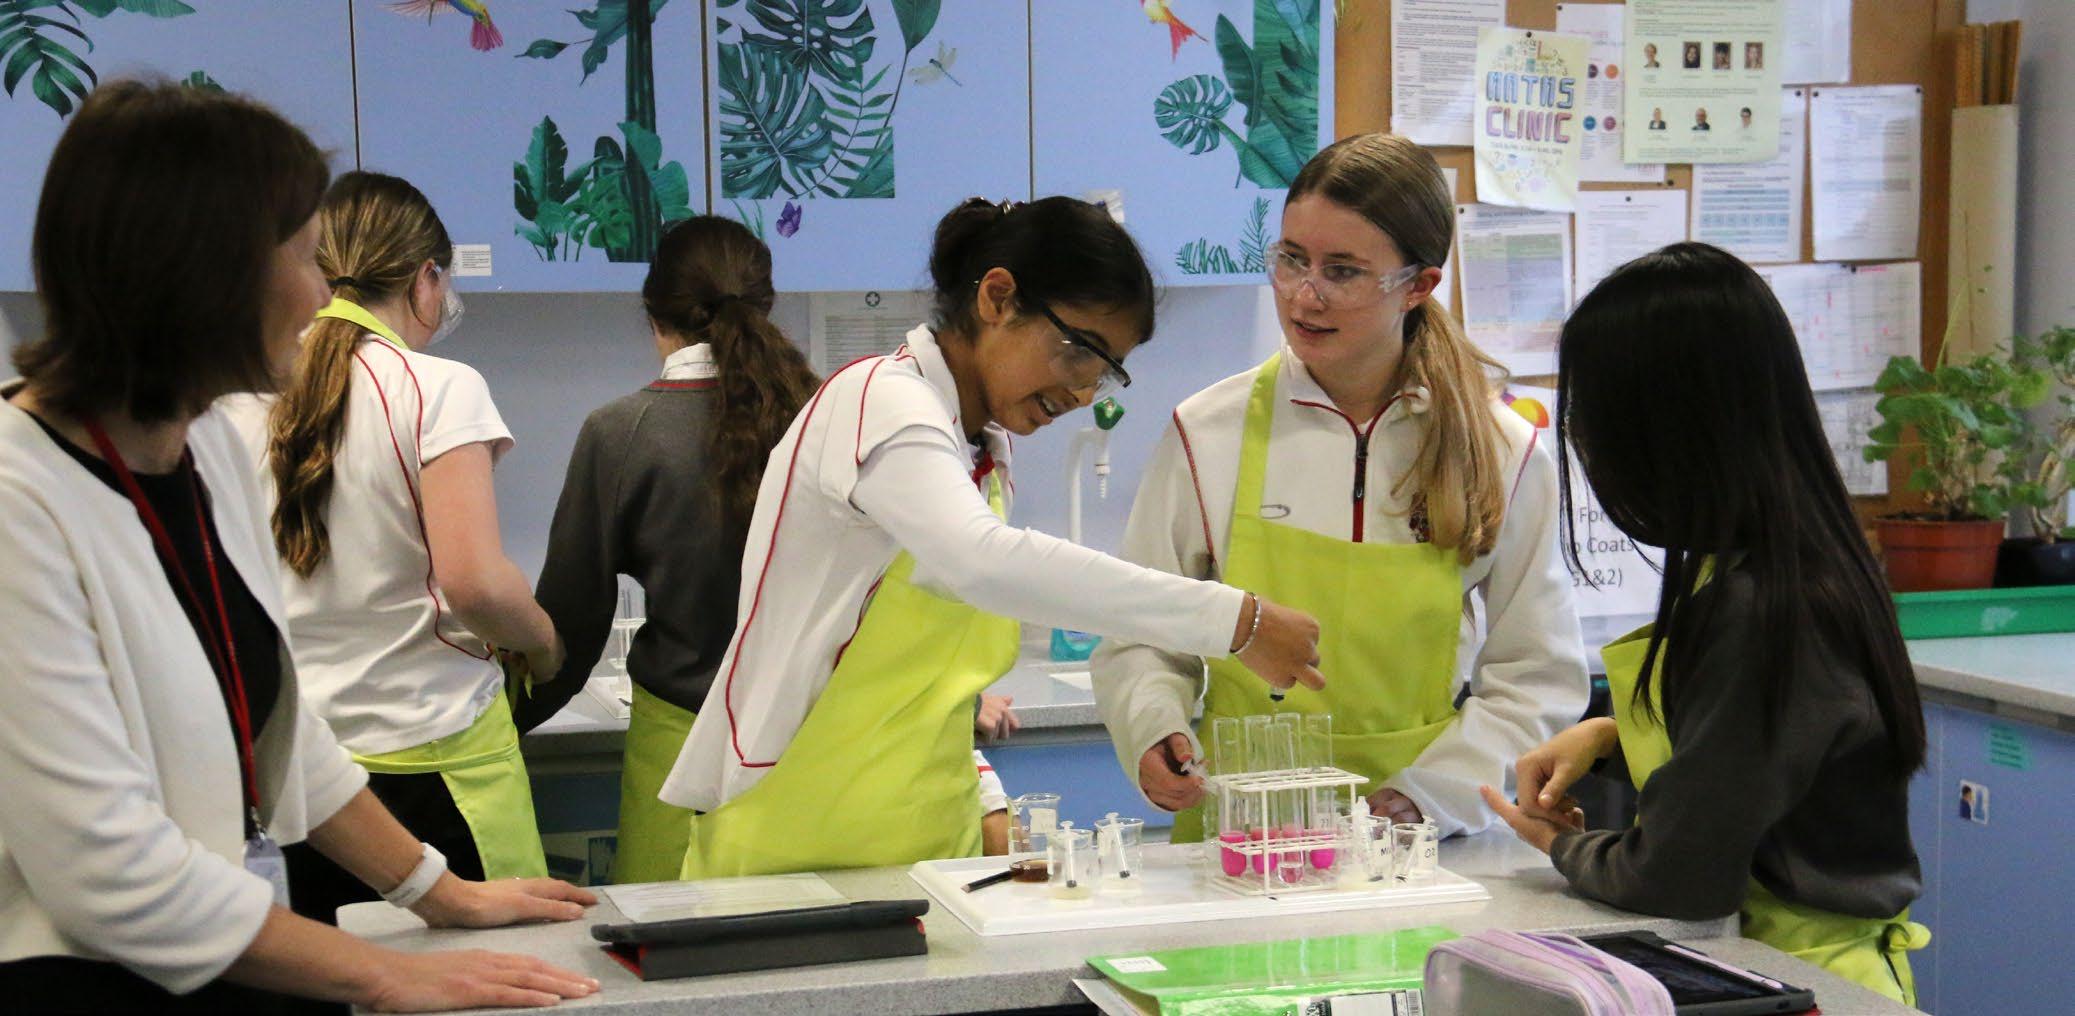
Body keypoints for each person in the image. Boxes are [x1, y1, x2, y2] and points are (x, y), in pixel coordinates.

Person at [0, 80, 596, 1014]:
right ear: (203, 273)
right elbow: (106, 872)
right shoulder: (19, 500)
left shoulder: (204, 443)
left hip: (230, 957)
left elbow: (282, 732)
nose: (325, 295)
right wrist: (386, 971)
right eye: (306, 258)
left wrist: (438, 893)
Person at [664, 196, 1325, 878]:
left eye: (1105, 372)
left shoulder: (979, 454)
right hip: (789, 853)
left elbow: (930, 690)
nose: (1083, 393)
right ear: (997, 298)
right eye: (1080, 352)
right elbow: (981, 562)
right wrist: (1234, 620)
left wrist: (987, 805)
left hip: (931, 849)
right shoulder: (878, 400)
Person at [1092, 133, 1588, 838]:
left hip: (1416, 843)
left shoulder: (1502, 451)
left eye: (1343, 271)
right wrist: (1153, 726)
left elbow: (1535, 676)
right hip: (1237, 835)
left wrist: (1430, 794)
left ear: (1418, 286)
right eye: (1292, 258)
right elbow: (1140, 631)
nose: (1304, 294)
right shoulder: (1208, 433)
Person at [1481, 242, 1930, 1005]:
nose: (1584, 442)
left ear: (1667, 430)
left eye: (1593, 418)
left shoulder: (1764, 609)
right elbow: (1756, 759)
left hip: (1803, 982)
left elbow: (1676, 875)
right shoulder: (1793, 564)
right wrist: (1610, 738)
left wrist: (1561, 846)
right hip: (1793, 971)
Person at [226, 171, 561, 924]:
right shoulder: (438, 387)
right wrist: (543, 644)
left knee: (340, 972)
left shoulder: (242, 394)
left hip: (301, 778)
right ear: (425, 279)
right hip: (437, 766)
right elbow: (476, 584)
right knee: (496, 970)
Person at [524, 216, 820, 884]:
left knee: (668, 935)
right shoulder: (829, 417)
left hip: (679, 753)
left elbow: (572, 618)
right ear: (765, 307)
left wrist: (505, 720)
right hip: (816, 746)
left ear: (655, 318)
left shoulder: (622, 433)